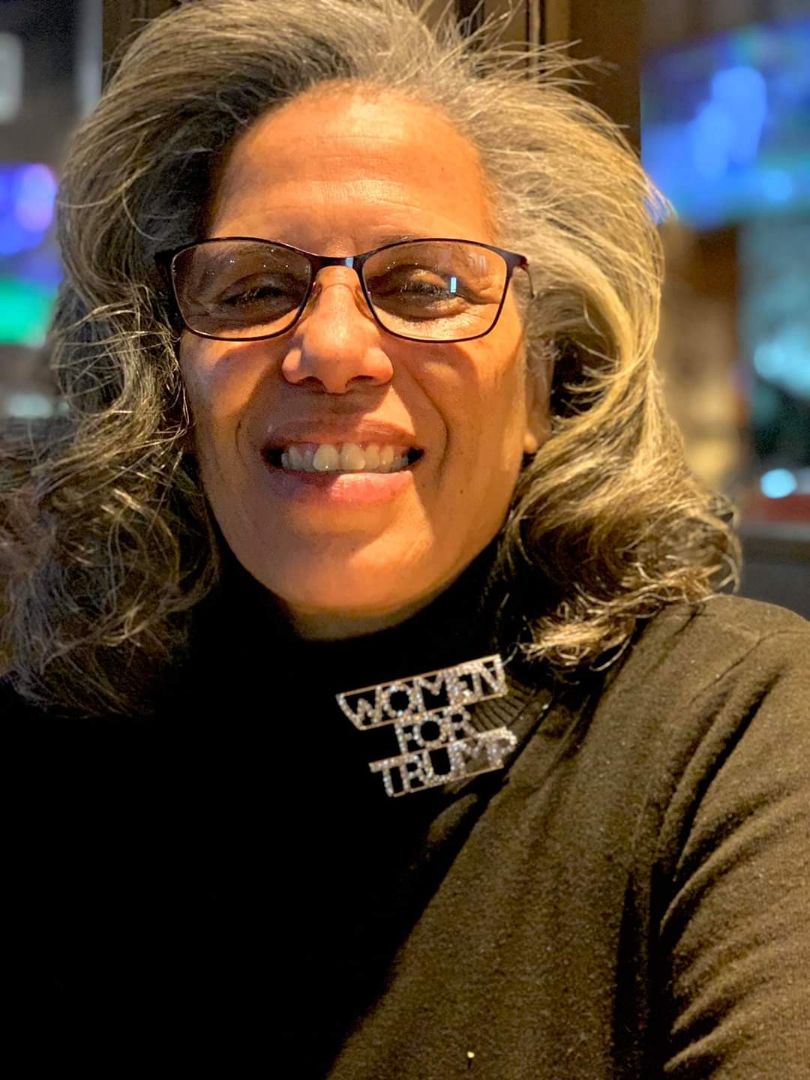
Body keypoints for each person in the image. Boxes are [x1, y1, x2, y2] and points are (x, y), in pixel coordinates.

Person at [2, 0, 808, 1075]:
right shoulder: (46, 759)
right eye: (256, 288)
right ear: (168, 386)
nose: (334, 350)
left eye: (427, 286)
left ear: (545, 383)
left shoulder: (730, 732)